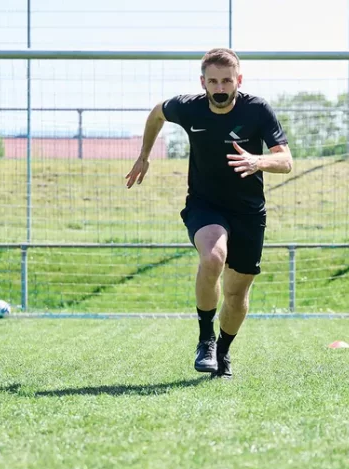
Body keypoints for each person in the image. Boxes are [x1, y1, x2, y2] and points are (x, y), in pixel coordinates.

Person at [125, 47, 293, 379]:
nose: (219, 88)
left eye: (226, 81)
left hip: (248, 212)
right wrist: (144, 154)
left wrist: (257, 161)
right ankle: (206, 339)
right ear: (202, 82)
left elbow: (286, 161)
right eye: (213, 81)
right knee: (213, 256)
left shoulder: (257, 110)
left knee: (236, 293)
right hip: (205, 205)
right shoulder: (189, 108)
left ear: (238, 81)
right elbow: (157, 113)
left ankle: (224, 352)